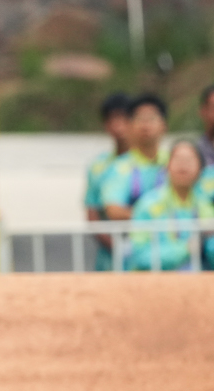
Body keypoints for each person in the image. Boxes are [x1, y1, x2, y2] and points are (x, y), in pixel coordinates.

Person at [97, 92, 171, 269]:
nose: (146, 125)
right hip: (134, 259)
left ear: (164, 125)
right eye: (140, 119)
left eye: (151, 119)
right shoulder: (119, 168)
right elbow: (113, 210)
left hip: (175, 257)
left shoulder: (176, 163)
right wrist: (155, 216)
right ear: (130, 126)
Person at [124, 139, 213, 271]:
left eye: (189, 160)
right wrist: (185, 249)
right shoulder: (148, 205)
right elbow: (139, 255)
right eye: (178, 159)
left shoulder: (205, 207)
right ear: (167, 165)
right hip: (152, 284)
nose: (183, 165)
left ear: (201, 168)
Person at [84, 92, 133, 270]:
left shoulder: (149, 162)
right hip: (109, 256)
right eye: (112, 119)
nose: (118, 126)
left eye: (123, 118)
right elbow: (92, 212)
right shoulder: (98, 166)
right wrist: (115, 246)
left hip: (146, 250)